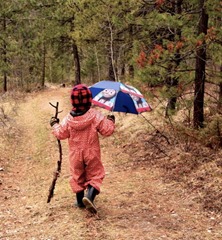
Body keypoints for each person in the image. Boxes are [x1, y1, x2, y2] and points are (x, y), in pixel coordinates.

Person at [50, 84, 115, 213]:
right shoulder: (95, 115)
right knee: (96, 174)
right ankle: (89, 196)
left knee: (77, 176)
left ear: (72, 101)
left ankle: (80, 201)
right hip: (92, 152)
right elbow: (107, 130)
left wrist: (54, 124)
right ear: (90, 99)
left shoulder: (68, 119)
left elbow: (60, 133)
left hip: (75, 154)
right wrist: (111, 120)